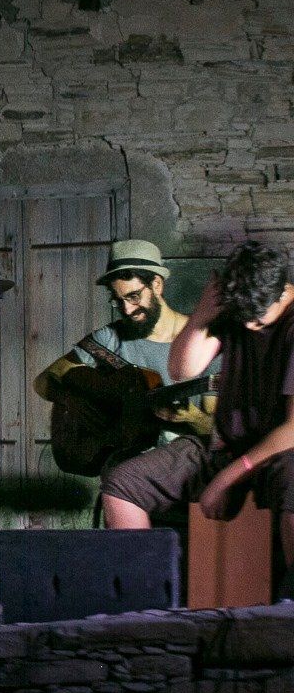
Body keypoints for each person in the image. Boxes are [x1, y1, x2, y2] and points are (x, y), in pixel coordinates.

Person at [101, 240, 294, 574]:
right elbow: (181, 369)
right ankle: (144, 595)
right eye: (242, 318)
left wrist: (226, 479)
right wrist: (204, 312)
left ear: (282, 294)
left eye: (258, 320)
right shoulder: (239, 306)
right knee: (122, 483)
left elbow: (293, 430)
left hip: (279, 453)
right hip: (225, 447)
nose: (248, 326)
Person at [34, 239, 216, 473]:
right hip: (125, 460)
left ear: (156, 284)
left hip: (186, 465)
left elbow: (215, 429)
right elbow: (43, 381)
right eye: (118, 301)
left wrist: (193, 417)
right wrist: (82, 404)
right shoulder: (109, 338)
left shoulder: (204, 340)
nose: (127, 310)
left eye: (134, 296)